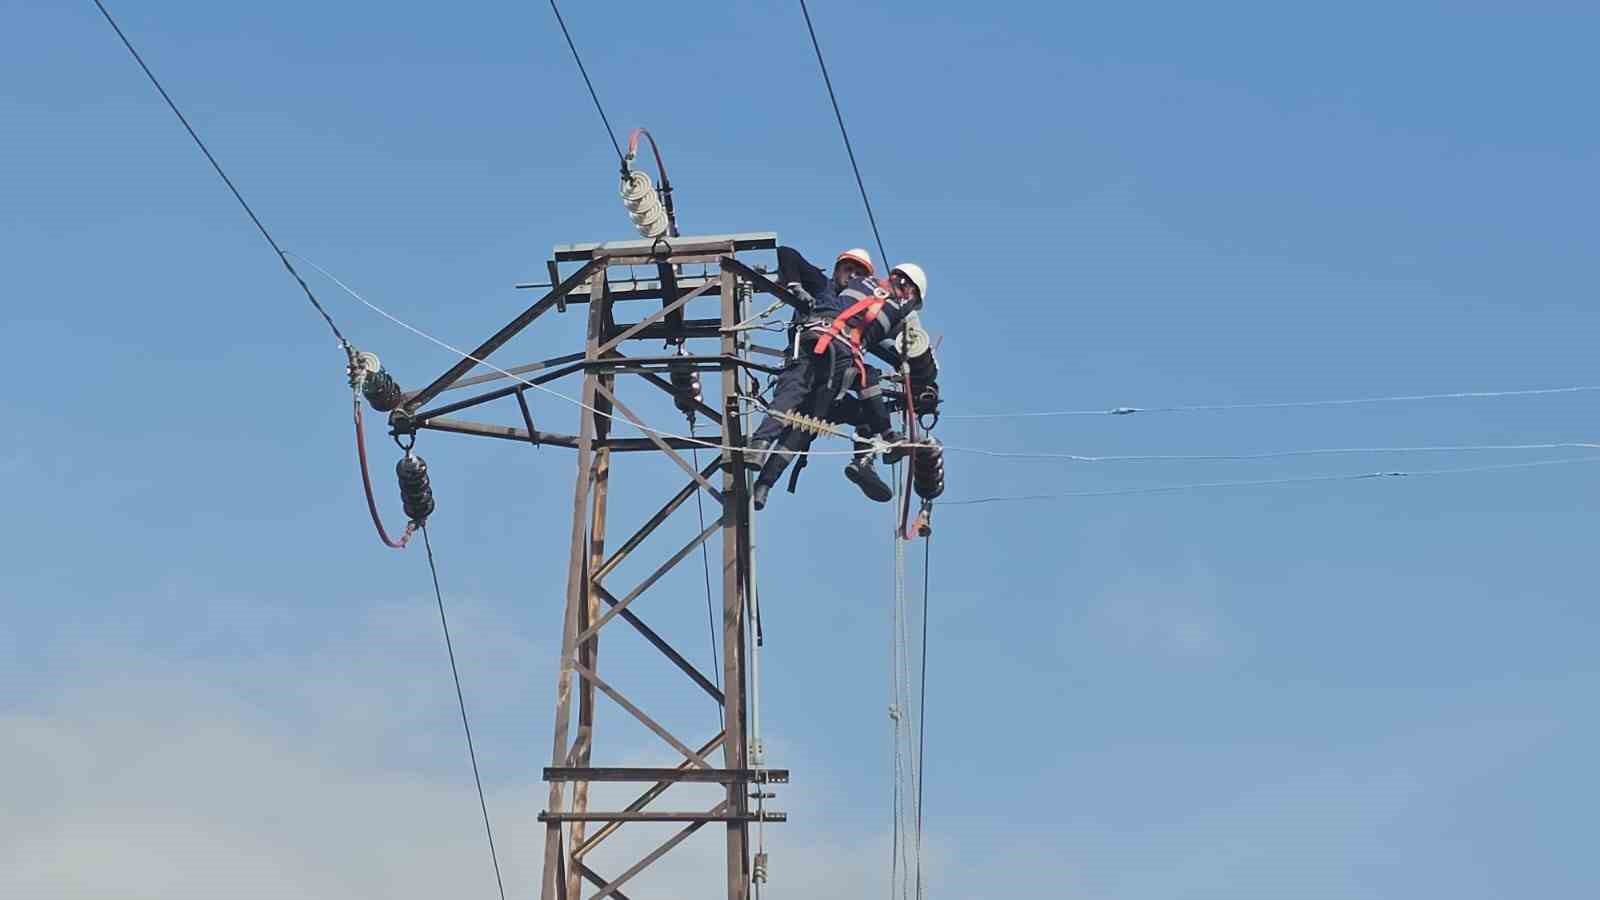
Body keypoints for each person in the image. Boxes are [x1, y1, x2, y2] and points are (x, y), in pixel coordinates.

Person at [748, 262, 928, 510]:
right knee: (860, 382)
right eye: (912, 297)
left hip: (834, 358)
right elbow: (901, 345)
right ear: (908, 287)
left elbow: (896, 346)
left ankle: (764, 481)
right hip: (833, 352)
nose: (909, 302)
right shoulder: (876, 300)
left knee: (803, 420)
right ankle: (886, 437)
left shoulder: (860, 288)